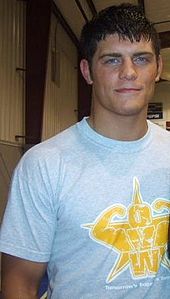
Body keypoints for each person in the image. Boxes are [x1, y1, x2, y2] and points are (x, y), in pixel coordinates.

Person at [0, 3, 170, 299]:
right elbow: (20, 283)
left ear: (158, 68)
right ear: (87, 71)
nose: (129, 72)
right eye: (112, 60)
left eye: (141, 59)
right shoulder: (44, 165)